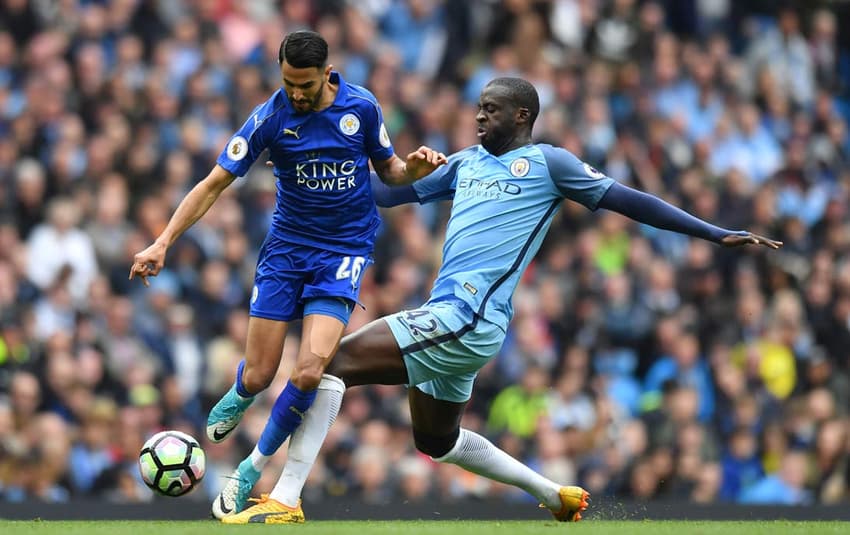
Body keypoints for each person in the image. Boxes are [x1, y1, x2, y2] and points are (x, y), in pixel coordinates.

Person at [215, 77, 782, 524]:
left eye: (490, 108)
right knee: (434, 441)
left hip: (468, 316)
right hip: (458, 322)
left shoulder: (549, 164)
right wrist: (323, 164)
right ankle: (553, 494)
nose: (479, 116)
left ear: (522, 116)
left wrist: (714, 233)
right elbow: (387, 195)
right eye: (478, 108)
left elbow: (629, 201)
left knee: (327, 363)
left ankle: (284, 497)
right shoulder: (462, 163)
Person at [128, 30, 446, 517]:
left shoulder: (361, 108)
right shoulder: (271, 117)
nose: (296, 93)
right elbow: (214, 183)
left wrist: (416, 170)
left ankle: (249, 472)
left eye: (306, 85)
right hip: (287, 250)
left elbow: (392, 172)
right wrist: (163, 240)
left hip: (343, 251)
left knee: (309, 370)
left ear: (327, 73)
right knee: (259, 375)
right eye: (288, 82)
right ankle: (242, 394)